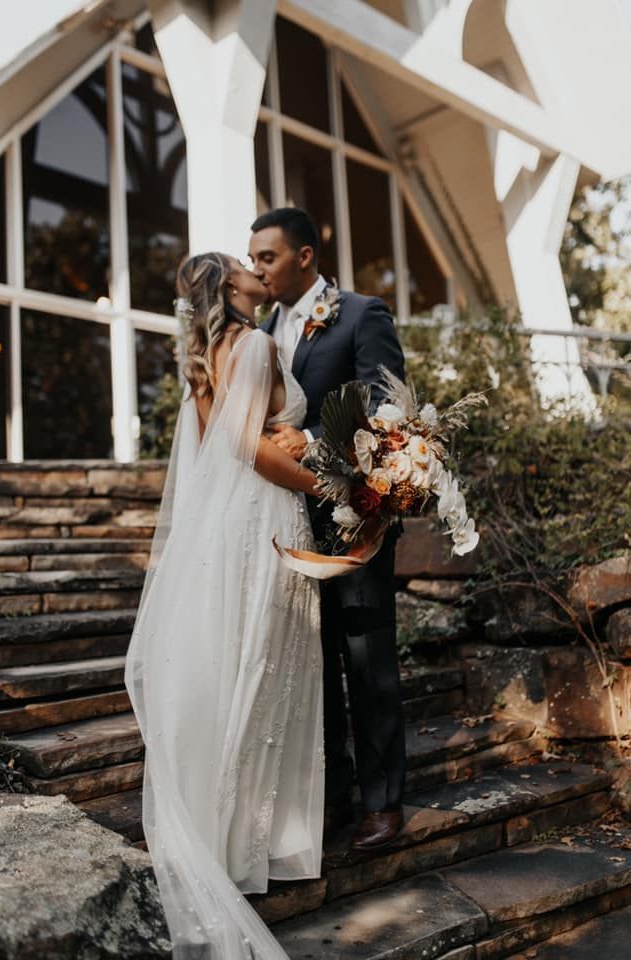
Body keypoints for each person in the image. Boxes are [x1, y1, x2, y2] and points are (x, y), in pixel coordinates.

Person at [124, 252, 324, 960]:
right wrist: (329, 486)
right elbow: (244, 447)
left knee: (244, 663)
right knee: (265, 667)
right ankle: (251, 844)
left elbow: (216, 443)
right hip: (267, 512)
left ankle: (232, 835)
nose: (253, 267)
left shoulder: (207, 356)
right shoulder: (258, 345)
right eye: (243, 264)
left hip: (228, 523)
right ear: (228, 287)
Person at [249, 207, 407, 852]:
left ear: (305, 256)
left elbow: (384, 402)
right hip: (286, 520)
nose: (258, 269)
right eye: (252, 259)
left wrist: (312, 438)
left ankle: (382, 803)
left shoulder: (361, 313)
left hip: (352, 514)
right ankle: (334, 797)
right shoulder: (260, 331)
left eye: (267, 257)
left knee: (367, 661)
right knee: (309, 664)